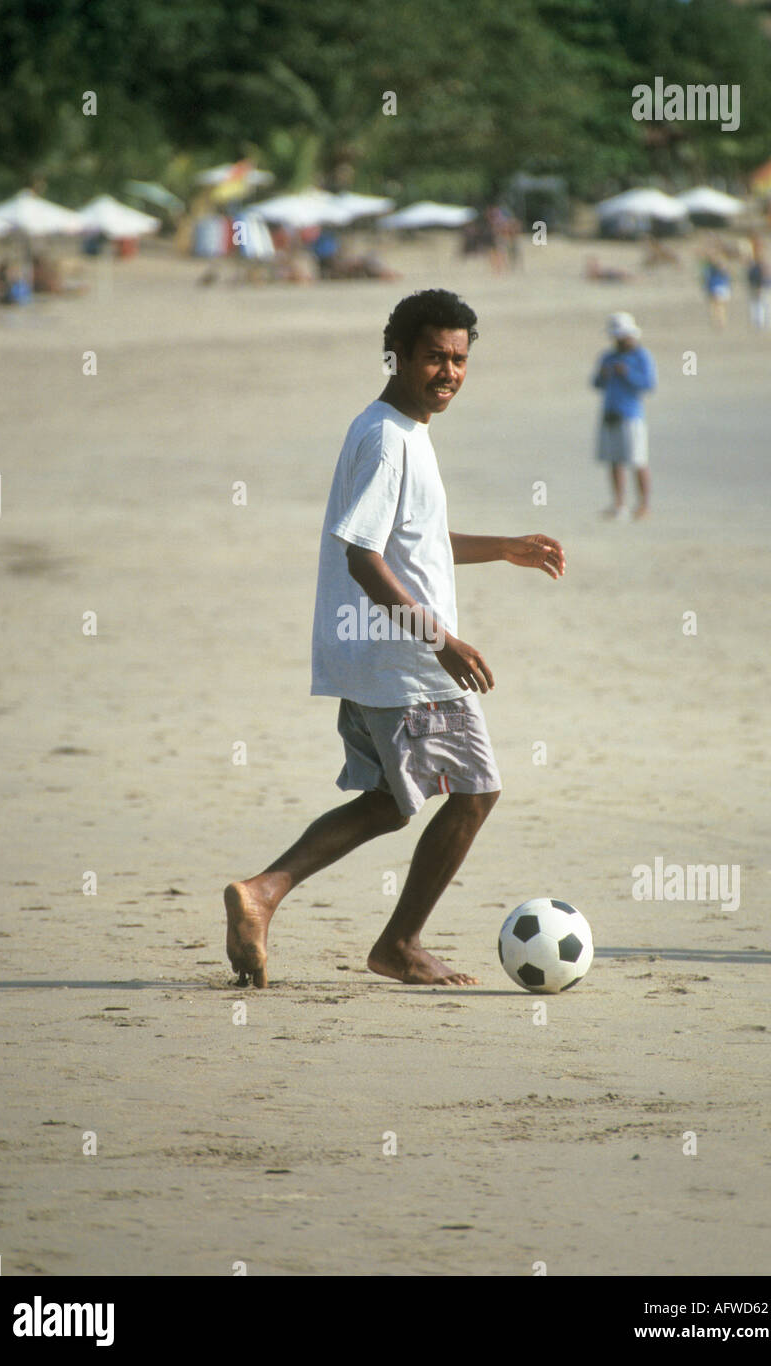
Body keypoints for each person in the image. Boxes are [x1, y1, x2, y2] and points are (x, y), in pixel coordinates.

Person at [224, 289, 565, 988]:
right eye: (436, 356)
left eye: (461, 359)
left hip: (375, 657)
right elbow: (362, 554)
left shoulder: (404, 431)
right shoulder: (385, 437)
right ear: (400, 354)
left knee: (390, 800)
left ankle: (262, 893)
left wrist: (503, 548)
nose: (450, 372)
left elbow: (412, 542)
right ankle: (400, 943)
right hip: (405, 661)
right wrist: (440, 640)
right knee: (475, 794)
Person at [592, 311, 656, 520]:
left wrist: (627, 373)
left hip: (632, 415)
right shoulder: (608, 357)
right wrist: (603, 374)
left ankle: (644, 505)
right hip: (610, 413)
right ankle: (619, 504)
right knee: (614, 461)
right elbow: (596, 384)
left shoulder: (641, 356)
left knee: (638, 460)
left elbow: (648, 384)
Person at [747, 238, 771, 331]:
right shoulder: (754, 262)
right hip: (758, 284)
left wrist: (760, 284)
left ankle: (762, 323)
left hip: (762, 285)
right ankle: (761, 323)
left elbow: (764, 274)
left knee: (762, 304)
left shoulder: (760, 263)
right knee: (760, 304)